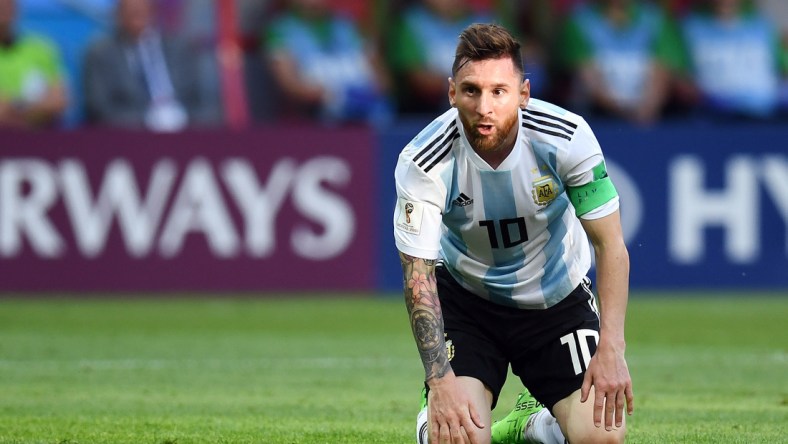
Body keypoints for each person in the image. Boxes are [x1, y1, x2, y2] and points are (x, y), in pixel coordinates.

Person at [393, 23, 633, 444]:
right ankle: (434, 426)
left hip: (556, 301)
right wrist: (439, 383)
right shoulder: (423, 161)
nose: (485, 107)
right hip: (468, 304)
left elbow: (610, 245)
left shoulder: (567, 139)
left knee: (603, 436)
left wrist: (612, 346)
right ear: (452, 93)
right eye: (471, 91)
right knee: (458, 438)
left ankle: (531, 424)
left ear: (523, 92)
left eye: (499, 92)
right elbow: (418, 275)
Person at [82, 0, 220, 131]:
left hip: (185, 131)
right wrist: (146, 120)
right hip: (129, 137)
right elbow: (99, 110)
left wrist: (181, 117)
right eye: (132, 12)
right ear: (119, 15)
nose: (138, 15)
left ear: (154, 12)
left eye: (142, 10)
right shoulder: (100, 53)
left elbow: (204, 100)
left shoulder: (180, 48)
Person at [262, 0, 393, 126]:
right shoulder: (280, 31)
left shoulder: (347, 23)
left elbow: (382, 80)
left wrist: (367, 96)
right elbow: (291, 86)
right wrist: (334, 96)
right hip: (318, 120)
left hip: (371, 117)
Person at [557, 0, 682, 125]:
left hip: (646, 121)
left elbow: (662, 73)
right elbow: (590, 82)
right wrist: (625, 113)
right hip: (595, 120)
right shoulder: (579, 22)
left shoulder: (656, 20)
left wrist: (645, 111)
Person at [673, 0, 788, 119]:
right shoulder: (688, 28)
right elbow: (679, 78)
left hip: (768, 117)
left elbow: (783, 69)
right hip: (714, 120)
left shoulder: (763, 26)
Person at [0, 0, 67, 129]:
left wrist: (15, 107)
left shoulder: (41, 47)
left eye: (7, 6)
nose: (3, 12)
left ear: (16, 9)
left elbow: (60, 101)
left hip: (40, 135)